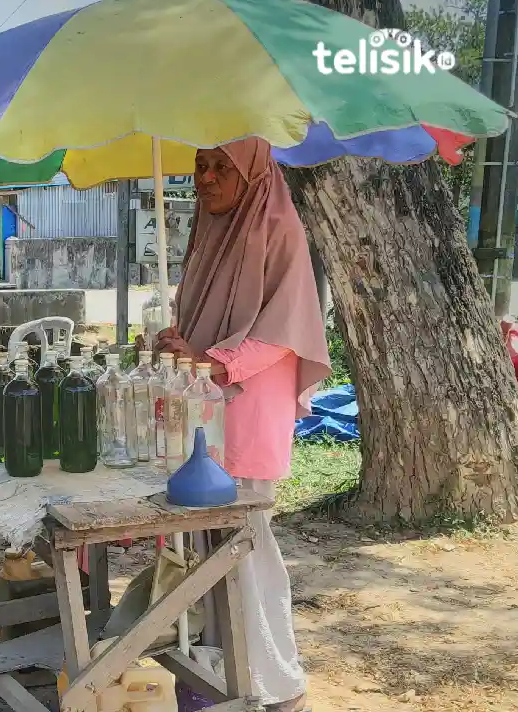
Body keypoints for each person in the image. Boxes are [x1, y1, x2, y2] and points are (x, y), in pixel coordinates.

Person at [153, 138, 330, 712]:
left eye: (221, 166)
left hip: (250, 411)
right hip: (203, 413)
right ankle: (225, 673)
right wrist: (178, 347)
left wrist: (213, 361)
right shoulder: (208, 232)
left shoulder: (279, 229)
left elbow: (289, 328)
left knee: (245, 550)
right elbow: (200, 332)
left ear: (252, 172)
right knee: (210, 549)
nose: (205, 178)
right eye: (200, 165)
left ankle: (275, 683)